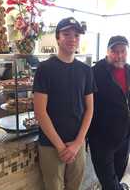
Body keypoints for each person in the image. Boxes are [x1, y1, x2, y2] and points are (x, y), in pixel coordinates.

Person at [33, 17, 96, 190]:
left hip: (78, 143)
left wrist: (77, 144)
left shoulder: (85, 71)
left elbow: (90, 109)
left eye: (76, 35)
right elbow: (40, 111)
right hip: (50, 145)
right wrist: (61, 147)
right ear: (58, 37)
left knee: (75, 187)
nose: (72, 39)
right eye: (66, 34)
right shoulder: (44, 69)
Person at [88, 35, 130, 190]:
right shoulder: (95, 72)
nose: (119, 55)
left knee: (117, 177)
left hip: (124, 138)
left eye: (123, 51)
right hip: (101, 140)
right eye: (115, 51)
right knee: (109, 183)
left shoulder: (129, 71)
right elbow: (87, 105)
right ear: (107, 51)